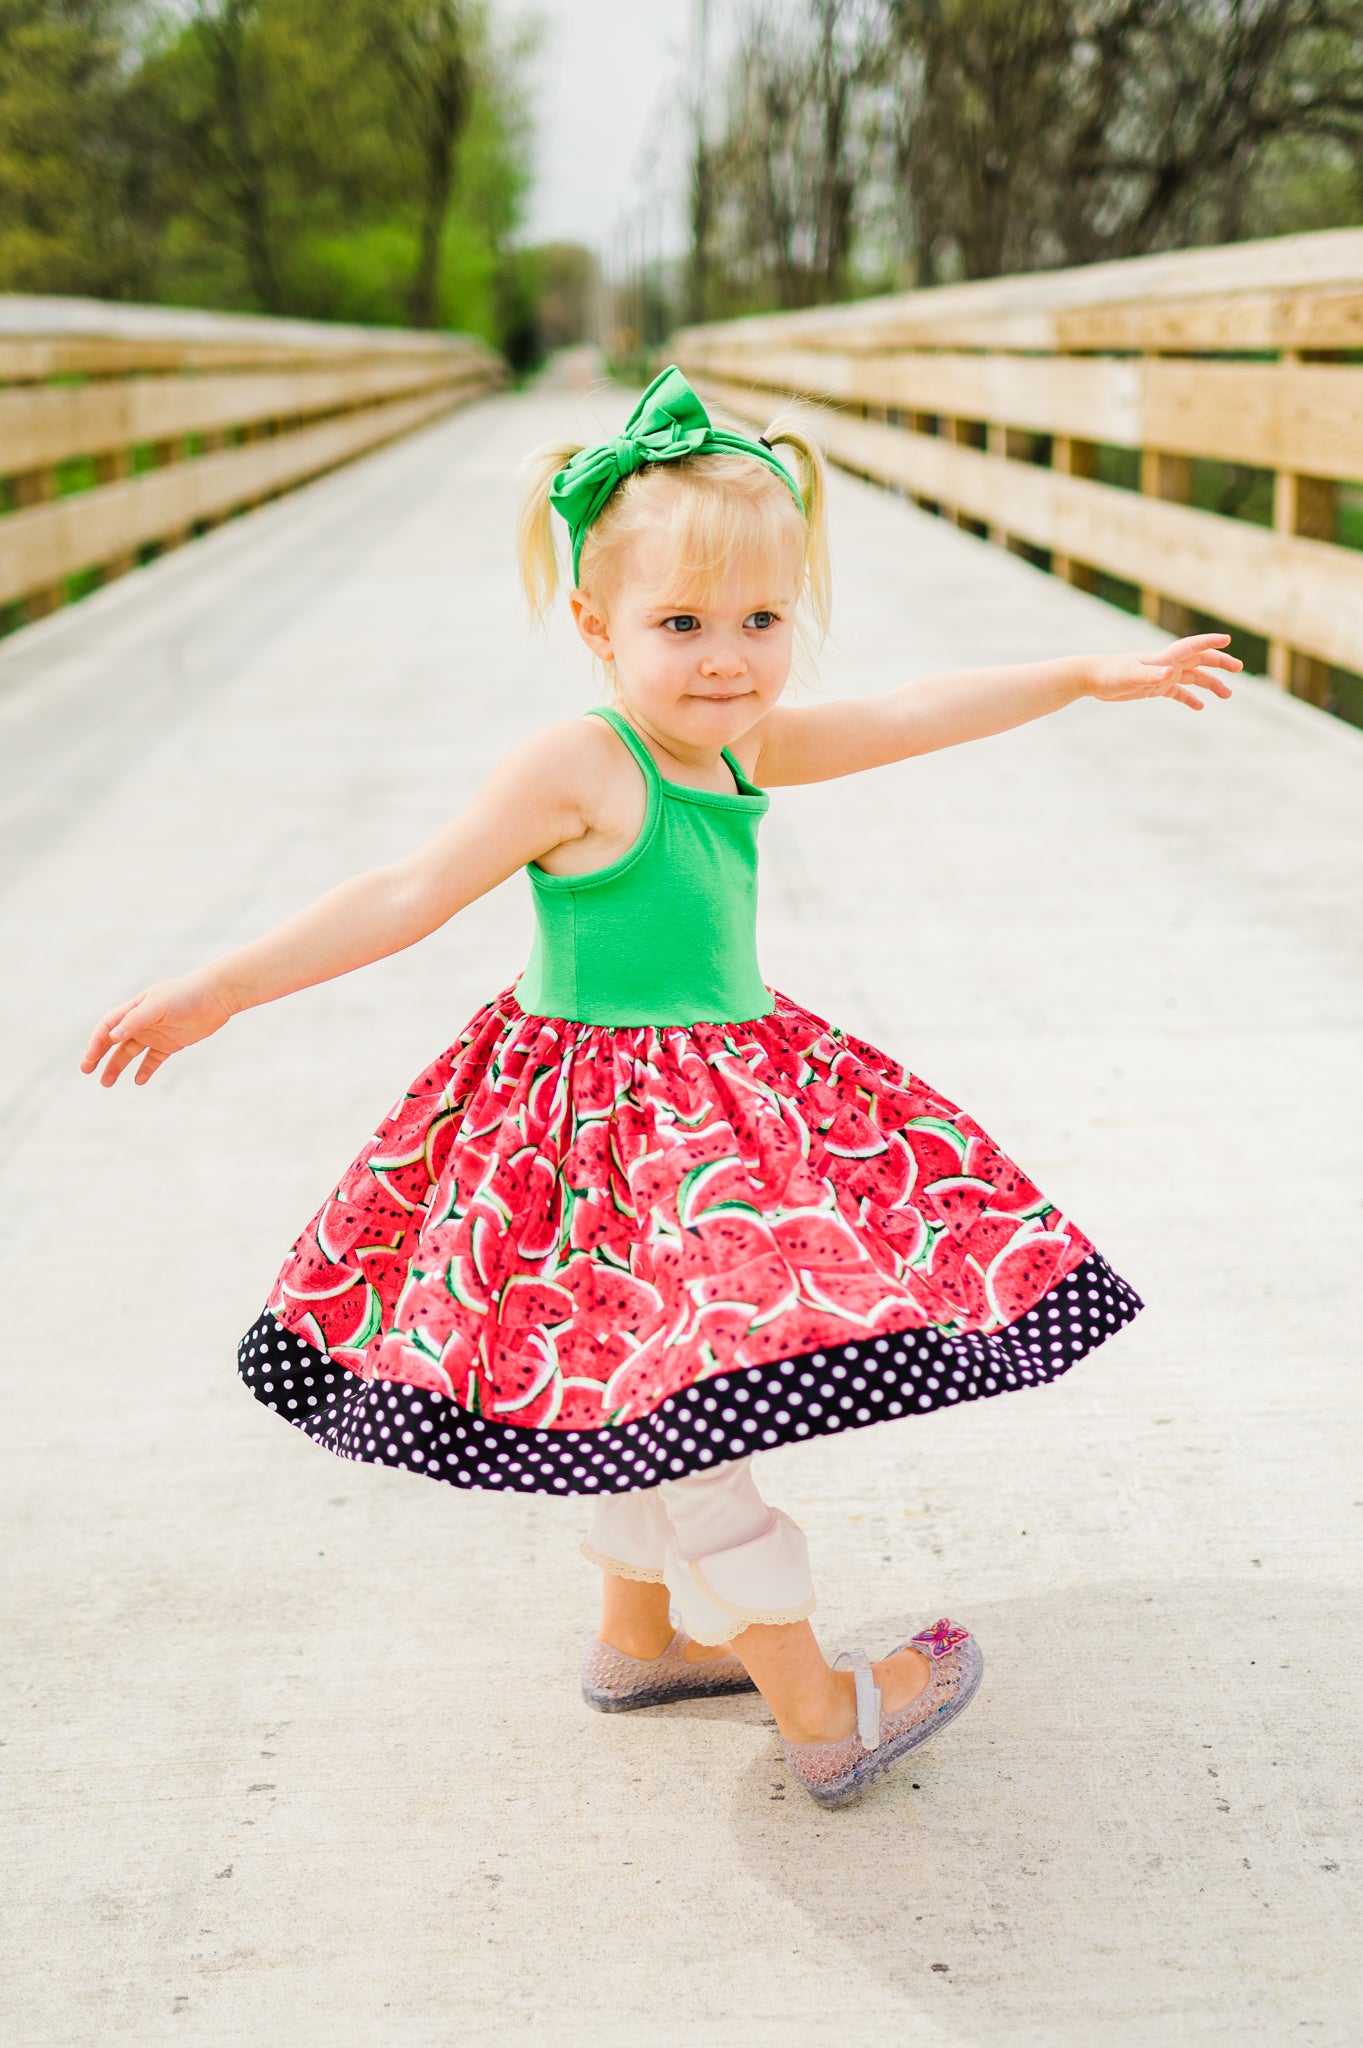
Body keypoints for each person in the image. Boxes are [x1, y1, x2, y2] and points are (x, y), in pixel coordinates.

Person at [81, 367, 1237, 1808]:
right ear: (594, 626)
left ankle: (638, 1637)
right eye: (680, 626)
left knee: (653, 1390)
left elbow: (911, 710)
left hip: (724, 1117)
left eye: (761, 622)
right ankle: (820, 1706)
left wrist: (1075, 676)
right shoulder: (578, 762)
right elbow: (406, 888)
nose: (726, 660)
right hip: (586, 1140)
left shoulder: (743, 739)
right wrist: (221, 987)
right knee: (698, 1419)